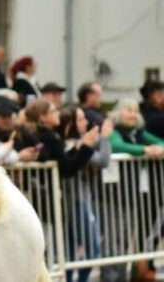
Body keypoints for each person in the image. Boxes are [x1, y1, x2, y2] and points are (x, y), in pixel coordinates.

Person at [108, 99, 164, 281]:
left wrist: (156, 148)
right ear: (118, 112)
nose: (132, 114)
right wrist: (145, 150)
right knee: (119, 238)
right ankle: (117, 276)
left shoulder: (139, 132)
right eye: (127, 110)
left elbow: (161, 142)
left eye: (135, 110)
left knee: (145, 232)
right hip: (117, 196)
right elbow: (117, 146)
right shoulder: (114, 131)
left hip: (142, 194)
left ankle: (140, 270)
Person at [58, 107, 112, 282]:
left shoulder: (76, 142)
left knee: (70, 251)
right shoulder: (73, 144)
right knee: (91, 248)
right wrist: (104, 137)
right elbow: (103, 160)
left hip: (76, 201)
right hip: (77, 202)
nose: (86, 122)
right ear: (70, 123)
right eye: (80, 119)